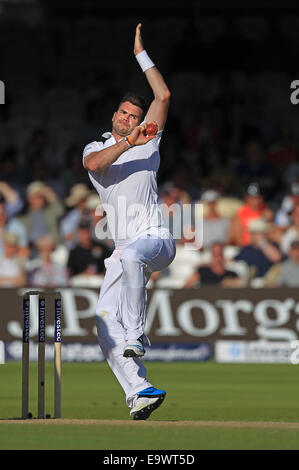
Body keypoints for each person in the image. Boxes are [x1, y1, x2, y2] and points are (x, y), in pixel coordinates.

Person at [82, 24, 176, 420]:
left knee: (135, 255)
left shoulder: (150, 139)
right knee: (103, 323)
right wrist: (127, 142)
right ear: (115, 115)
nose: (128, 119)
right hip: (122, 252)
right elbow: (94, 165)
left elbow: (164, 95)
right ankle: (140, 391)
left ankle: (137, 333)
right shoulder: (99, 146)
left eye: (134, 117)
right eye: (124, 113)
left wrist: (141, 54)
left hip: (156, 239)